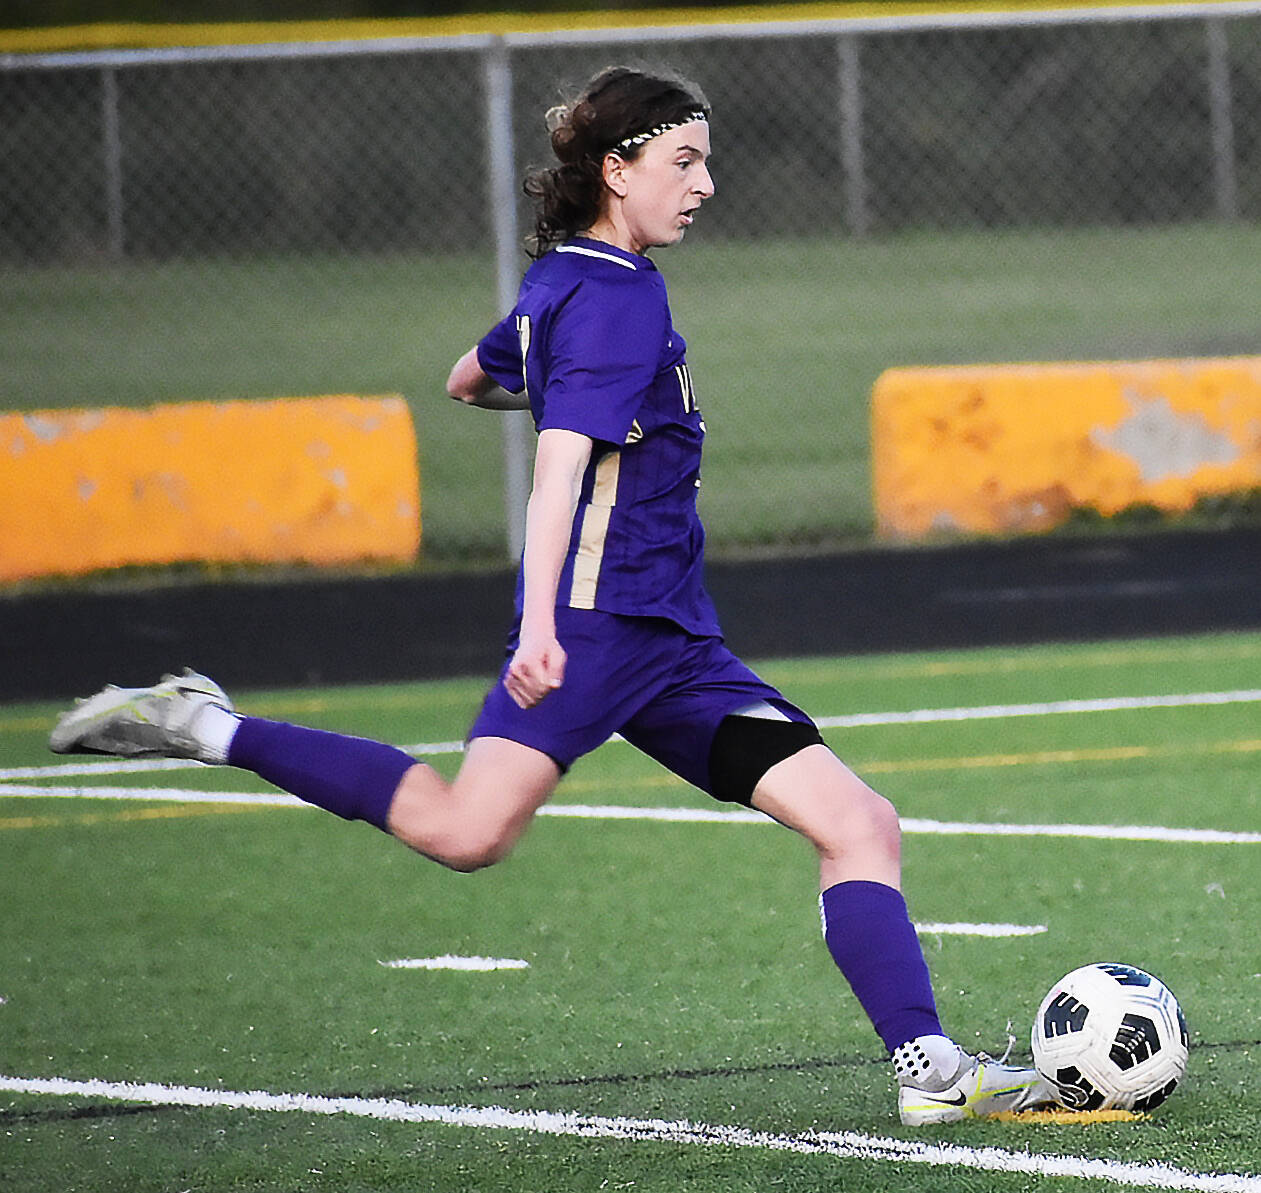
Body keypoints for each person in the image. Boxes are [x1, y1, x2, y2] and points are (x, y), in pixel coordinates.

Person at [50, 65, 1053, 1126]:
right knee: (464, 829)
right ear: (616, 171)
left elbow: (467, 380)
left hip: (675, 644)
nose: (704, 183)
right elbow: (559, 472)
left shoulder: (564, 286)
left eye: (703, 159)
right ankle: (206, 721)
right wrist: (537, 626)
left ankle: (929, 1071)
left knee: (858, 821)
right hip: (592, 632)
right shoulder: (618, 298)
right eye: (683, 160)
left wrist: (560, 380)